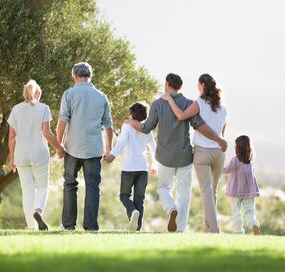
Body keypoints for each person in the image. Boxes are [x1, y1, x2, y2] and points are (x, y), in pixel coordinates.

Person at [127, 73, 227, 232]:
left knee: (163, 188)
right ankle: (181, 229)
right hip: (185, 156)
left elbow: (146, 128)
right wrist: (218, 139)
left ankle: (170, 208)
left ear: (167, 83)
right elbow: (198, 125)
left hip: (165, 157)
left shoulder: (158, 104)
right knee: (184, 196)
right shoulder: (188, 103)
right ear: (180, 86)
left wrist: (132, 123)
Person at [162, 73, 227, 233]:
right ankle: (207, 228)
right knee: (213, 191)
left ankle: (214, 230)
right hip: (219, 153)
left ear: (202, 85)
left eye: (198, 84)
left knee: (206, 191)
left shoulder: (199, 103)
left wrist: (170, 99)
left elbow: (181, 115)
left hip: (202, 153)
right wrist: (218, 141)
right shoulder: (224, 107)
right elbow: (222, 131)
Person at [57, 62, 113, 231]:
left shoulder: (69, 94)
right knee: (93, 187)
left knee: (69, 185)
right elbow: (109, 127)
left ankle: (68, 225)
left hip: (72, 148)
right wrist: (108, 150)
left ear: (74, 76)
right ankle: (90, 226)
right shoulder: (101, 96)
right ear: (90, 75)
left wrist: (59, 145)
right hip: (94, 149)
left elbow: (62, 122)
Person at [8, 80, 65, 231]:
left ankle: (31, 227)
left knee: (27, 190)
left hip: (21, 154)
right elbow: (46, 133)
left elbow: (11, 137)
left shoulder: (16, 109)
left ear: (24, 93)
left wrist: (12, 158)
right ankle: (38, 211)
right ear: (38, 94)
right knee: (42, 187)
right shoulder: (43, 108)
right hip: (39, 154)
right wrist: (59, 148)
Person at [105, 103, 157, 231]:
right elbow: (155, 150)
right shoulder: (147, 130)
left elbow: (121, 142)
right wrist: (155, 165)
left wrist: (112, 155)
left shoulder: (127, 126)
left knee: (124, 196)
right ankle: (137, 227)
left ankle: (133, 211)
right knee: (140, 199)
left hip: (128, 167)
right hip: (143, 168)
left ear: (132, 114)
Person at [223, 135, 261, 235]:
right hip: (250, 191)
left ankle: (238, 232)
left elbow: (226, 170)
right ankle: (253, 224)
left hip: (236, 191)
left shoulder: (236, 160)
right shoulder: (251, 161)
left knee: (236, 212)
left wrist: (215, 166)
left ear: (238, 148)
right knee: (249, 211)